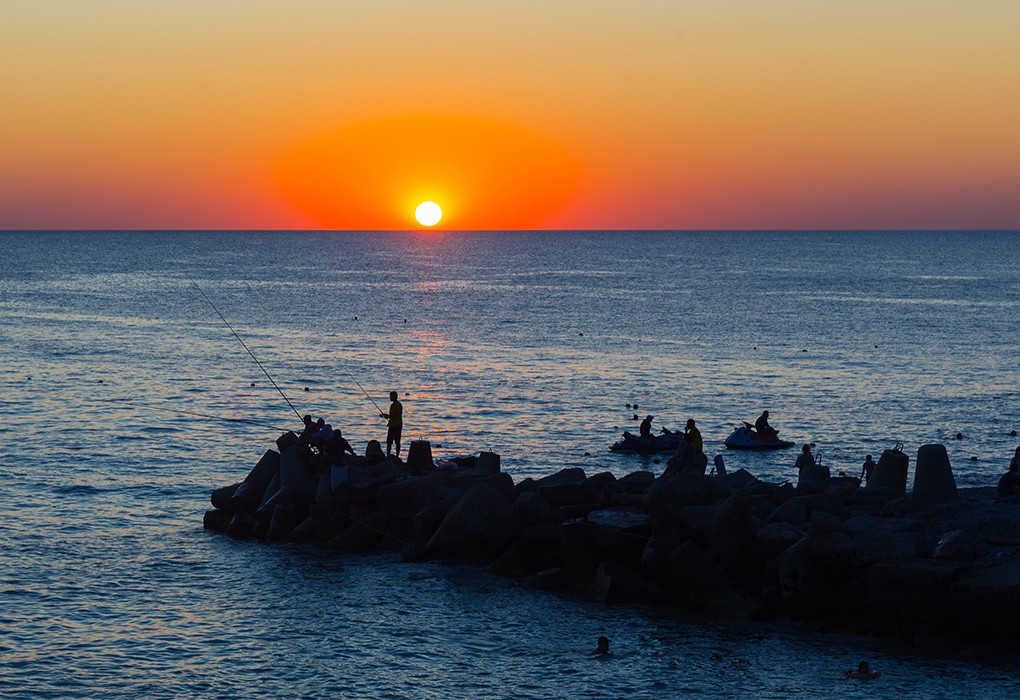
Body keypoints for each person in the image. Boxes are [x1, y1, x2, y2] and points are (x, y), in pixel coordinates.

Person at [380, 391, 404, 457]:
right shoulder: (399, 404)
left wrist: (385, 415)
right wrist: (386, 416)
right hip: (399, 424)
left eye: (390, 396)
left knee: (389, 442)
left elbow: (392, 416)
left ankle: (388, 455)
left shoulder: (393, 405)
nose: (390, 397)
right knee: (397, 441)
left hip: (393, 425)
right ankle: (397, 455)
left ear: (394, 396)